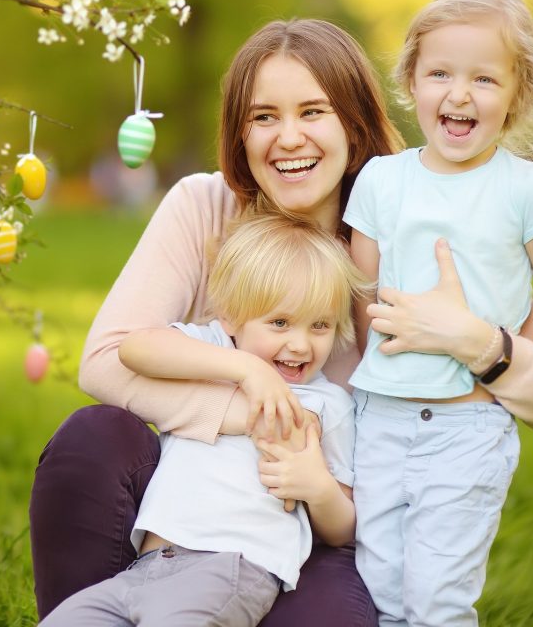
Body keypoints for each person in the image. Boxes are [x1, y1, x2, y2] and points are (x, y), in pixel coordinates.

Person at [29, 18, 533, 626]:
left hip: (315, 532)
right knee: (92, 440)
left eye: (313, 112)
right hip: (181, 514)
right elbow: (107, 358)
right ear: (238, 134)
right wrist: (260, 409)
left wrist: (481, 344)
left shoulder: (407, 227)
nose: (287, 138)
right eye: (263, 117)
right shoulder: (206, 207)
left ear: (352, 122)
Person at [344, 0, 533, 626]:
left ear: (518, 95)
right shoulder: (381, 180)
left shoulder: (526, 188)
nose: (459, 94)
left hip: (466, 430)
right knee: (380, 589)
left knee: (437, 600)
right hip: (381, 420)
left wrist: (501, 363)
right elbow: (359, 293)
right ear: (411, 83)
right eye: (440, 74)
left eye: (484, 77)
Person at [42, 213, 369, 626]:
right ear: (231, 318)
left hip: (232, 568)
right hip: (147, 567)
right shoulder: (212, 351)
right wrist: (248, 370)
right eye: (280, 323)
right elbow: (135, 348)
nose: (301, 344)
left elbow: (343, 529)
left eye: (320, 325)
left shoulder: (325, 405)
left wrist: (318, 488)